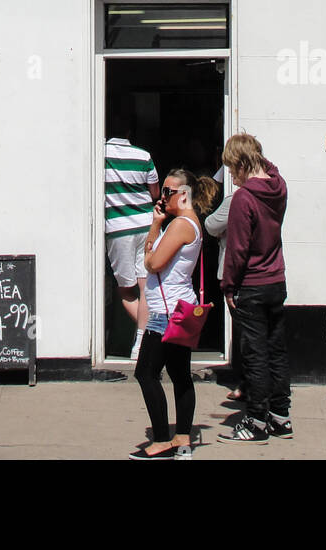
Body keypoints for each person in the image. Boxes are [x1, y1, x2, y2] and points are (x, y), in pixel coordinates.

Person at [130, 169, 219, 460]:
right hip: (181, 308)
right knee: (180, 375)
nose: (162, 196)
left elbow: (153, 262)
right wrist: (157, 224)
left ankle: (161, 441)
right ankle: (182, 440)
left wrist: (155, 229)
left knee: (146, 373)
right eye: (163, 191)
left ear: (184, 195)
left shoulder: (181, 224)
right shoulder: (187, 222)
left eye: (168, 191)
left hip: (166, 313)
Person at [217, 134, 291, 442]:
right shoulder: (279, 186)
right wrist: (260, 160)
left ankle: (257, 421)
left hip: (251, 285)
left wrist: (228, 286)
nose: (231, 177)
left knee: (255, 355)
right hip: (276, 281)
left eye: (233, 169)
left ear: (242, 163)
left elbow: (237, 250)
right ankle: (281, 417)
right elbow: (269, 168)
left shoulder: (244, 199)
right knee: (276, 352)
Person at [104, 126, 160, 362]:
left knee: (125, 290)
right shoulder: (144, 155)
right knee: (146, 285)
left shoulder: (99, 155)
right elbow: (155, 193)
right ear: (129, 131)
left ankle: (144, 341)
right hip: (147, 225)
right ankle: (143, 342)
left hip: (118, 229)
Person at [203, 178, 243, 401]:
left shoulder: (235, 200)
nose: (233, 178)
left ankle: (248, 387)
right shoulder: (271, 195)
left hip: (236, 274)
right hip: (266, 276)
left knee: (244, 336)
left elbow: (211, 225)